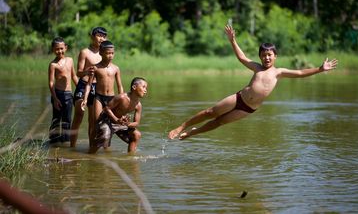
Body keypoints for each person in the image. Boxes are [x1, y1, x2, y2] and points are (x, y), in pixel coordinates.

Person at [168, 24, 338, 140]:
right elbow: (242, 57)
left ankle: (192, 134)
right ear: (260, 57)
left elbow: (301, 72)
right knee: (210, 112)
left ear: (275, 56)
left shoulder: (279, 72)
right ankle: (181, 127)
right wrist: (232, 40)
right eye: (264, 55)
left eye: (270, 55)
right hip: (239, 98)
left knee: (218, 122)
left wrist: (320, 69)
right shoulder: (257, 67)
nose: (267, 57)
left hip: (249, 109)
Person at [81, 40, 124, 148]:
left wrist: (122, 101)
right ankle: (92, 147)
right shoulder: (95, 68)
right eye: (108, 53)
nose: (110, 55)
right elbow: (88, 84)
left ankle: (106, 149)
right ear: (101, 53)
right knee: (96, 125)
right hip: (99, 98)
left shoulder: (116, 68)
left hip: (112, 99)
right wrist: (85, 99)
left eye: (112, 53)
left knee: (109, 125)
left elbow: (120, 86)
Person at [89, 77, 148, 154]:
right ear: (134, 87)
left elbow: (136, 123)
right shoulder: (122, 97)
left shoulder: (138, 105)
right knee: (105, 137)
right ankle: (90, 155)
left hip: (119, 123)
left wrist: (127, 124)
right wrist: (116, 119)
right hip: (107, 120)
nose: (145, 90)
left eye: (146, 88)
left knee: (136, 134)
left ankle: (130, 157)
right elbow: (106, 109)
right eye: (143, 87)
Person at [70, 27, 107, 147]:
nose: (101, 38)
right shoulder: (85, 52)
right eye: (99, 35)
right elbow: (78, 73)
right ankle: (72, 147)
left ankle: (91, 147)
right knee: (79, 114)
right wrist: (87, 71)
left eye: (104, 36)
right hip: (83, 85)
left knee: (93, 120)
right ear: (92, 36)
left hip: (97, 88)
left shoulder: (105, 53)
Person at [48, 37, 79, 144]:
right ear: (53, 50)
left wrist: (81, 90)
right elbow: (51, 82)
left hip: (68, 95)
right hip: (58, 94)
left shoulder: (70, 60)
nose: (59, 51)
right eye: (57, 49)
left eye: (61, 48)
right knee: (56, 119)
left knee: (67, 120)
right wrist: (55, 99)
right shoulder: (53, 65)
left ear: (66, 48)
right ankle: (53, 141)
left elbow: (74, 76)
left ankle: (65, 142)